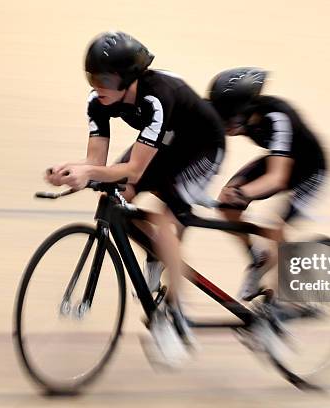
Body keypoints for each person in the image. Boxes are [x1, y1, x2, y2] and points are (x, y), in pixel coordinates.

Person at [45, 31, 226, 366]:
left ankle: (175, 314)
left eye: (105, 78)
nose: (96, 84)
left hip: (202, 146)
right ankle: (156, 253)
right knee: (121, 193)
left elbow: (136, 169)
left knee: (165, 220)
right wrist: (68, 168)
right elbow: (97, 164)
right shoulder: (97, 101)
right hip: (165, 143)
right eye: (91, 76)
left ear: (128, 78)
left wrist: (91, 174)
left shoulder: (156, 98)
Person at [208, 67, 328, 301]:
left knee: (275, 227)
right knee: (226, 206)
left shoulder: (278, 117)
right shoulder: (233, 110)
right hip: (283, 159)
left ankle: (282, 298)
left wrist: (243, 192)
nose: (225, 125)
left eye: (229, 119)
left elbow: (277, 177)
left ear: (248, 108)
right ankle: (258, 259)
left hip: (311, 169)